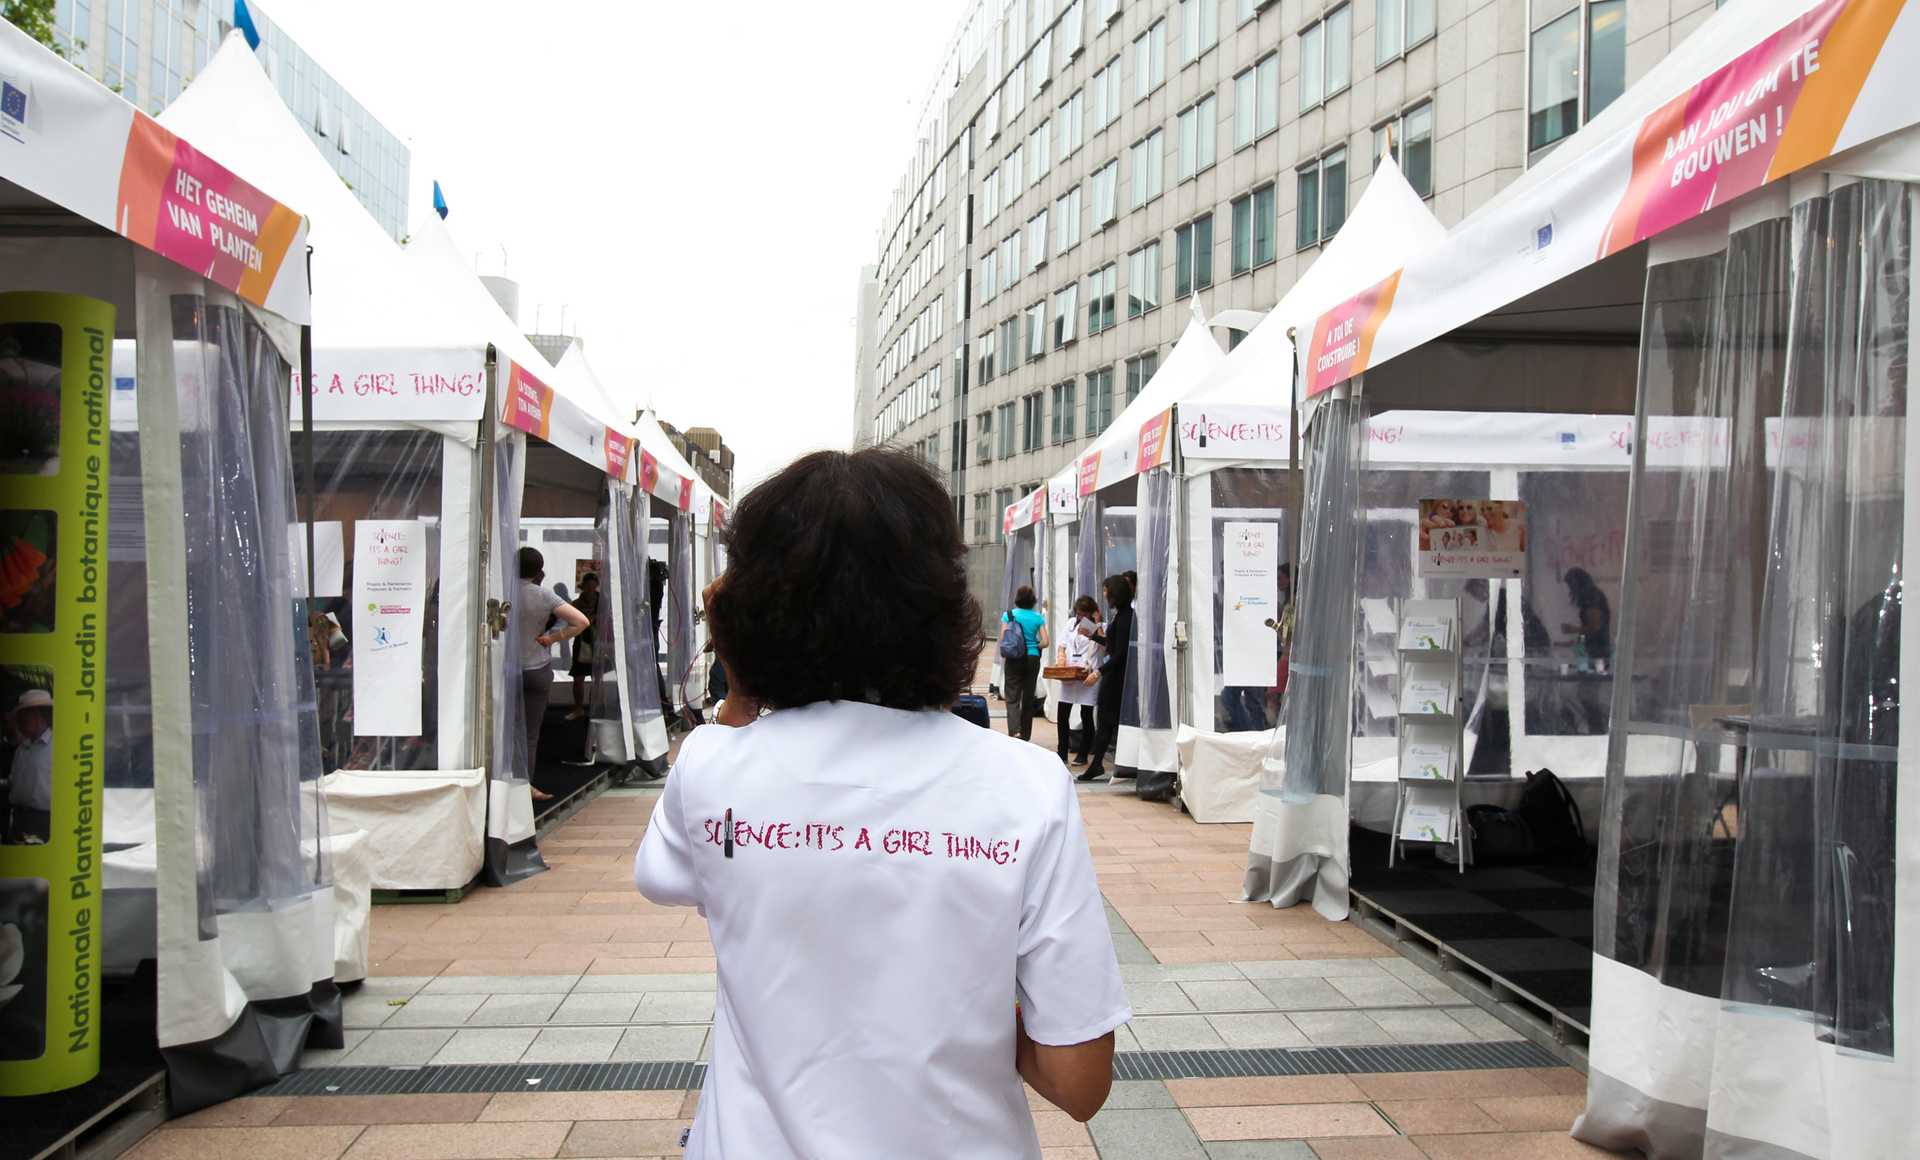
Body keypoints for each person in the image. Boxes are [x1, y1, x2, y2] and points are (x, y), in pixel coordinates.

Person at [633, 448, 1127, 1157]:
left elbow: (663, 876)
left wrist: (739, 689)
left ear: (749, 611)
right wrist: (971, 1002)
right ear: (940, 598)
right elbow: (1079, 1081)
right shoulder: (1026, 785)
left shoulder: (714, 767)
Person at [517, 547, 589, 802]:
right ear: (539, 570)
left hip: (506, 669)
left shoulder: (501, 592)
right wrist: (552, 638)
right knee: (530, 733)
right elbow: (581, 622)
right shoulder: (544, 595)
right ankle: (525, 786)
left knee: (505, 729)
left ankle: (500, 782)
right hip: (537, 666)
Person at [1078, 574, 1133, 783]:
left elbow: (1119, 653)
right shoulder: (1123, 615)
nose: (1104, 593)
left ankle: (1098, 763)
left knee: (1107, 721)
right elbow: (1113, 644)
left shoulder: (1125, 617)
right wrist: (1092, 635)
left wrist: (1099, 671)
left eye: (1106, 590)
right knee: (1106, 723)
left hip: (1116, 678)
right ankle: (1097, 763)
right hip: (1114, 676)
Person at [1054, 595, 1103, 765]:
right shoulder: (1071, 624)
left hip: (1088, 672)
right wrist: (1061, 657)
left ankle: (1083, 753)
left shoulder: (1100, 627)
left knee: (1086, 713)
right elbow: (1062, 643)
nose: (1081, 617)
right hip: (1070, 672)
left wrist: (1095, 625)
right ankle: (1062, 751)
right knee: (1063, 712)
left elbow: (1104, 645)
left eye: (1084, 614)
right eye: (1078, 613)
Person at [1000, 586, 1050, 741]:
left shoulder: (1008, 615)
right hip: (1032, 658)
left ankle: (1015, 731)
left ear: (1017, 599)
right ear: (1033, 600)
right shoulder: (1037, 618)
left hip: (1014, 658)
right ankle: (1026, 735)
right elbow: (1046, 642)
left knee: (1012, 696)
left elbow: (1004, 639)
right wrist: (1033, 645)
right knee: (1028, 697)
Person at [7, 689, 52, 843]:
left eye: (26, 715)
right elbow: (14, 781)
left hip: (44, 820)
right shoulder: (22, 749)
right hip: (19, 818)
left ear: (40, 716)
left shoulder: (58, 746)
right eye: (21, 716)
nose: (22, 720)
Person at [568, 572, 602, 720]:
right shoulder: (575, 604)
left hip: (600, 644)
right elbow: (571, 623)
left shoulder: (603, 603)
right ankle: (578, 708)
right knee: (578, 677)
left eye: (593, 587)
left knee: (599, 679)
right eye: (588, 587)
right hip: (582, 642)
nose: (591, 591)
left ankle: (596, 709)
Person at [1561, 568, 1613, 665]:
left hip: (1597, 652)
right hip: (1593, 650)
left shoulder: (1593, 598)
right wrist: (1575, 642)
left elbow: (1595, 627)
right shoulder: (1590, 598)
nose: (1570, 589)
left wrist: (1572, 629)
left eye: (1571, 585)